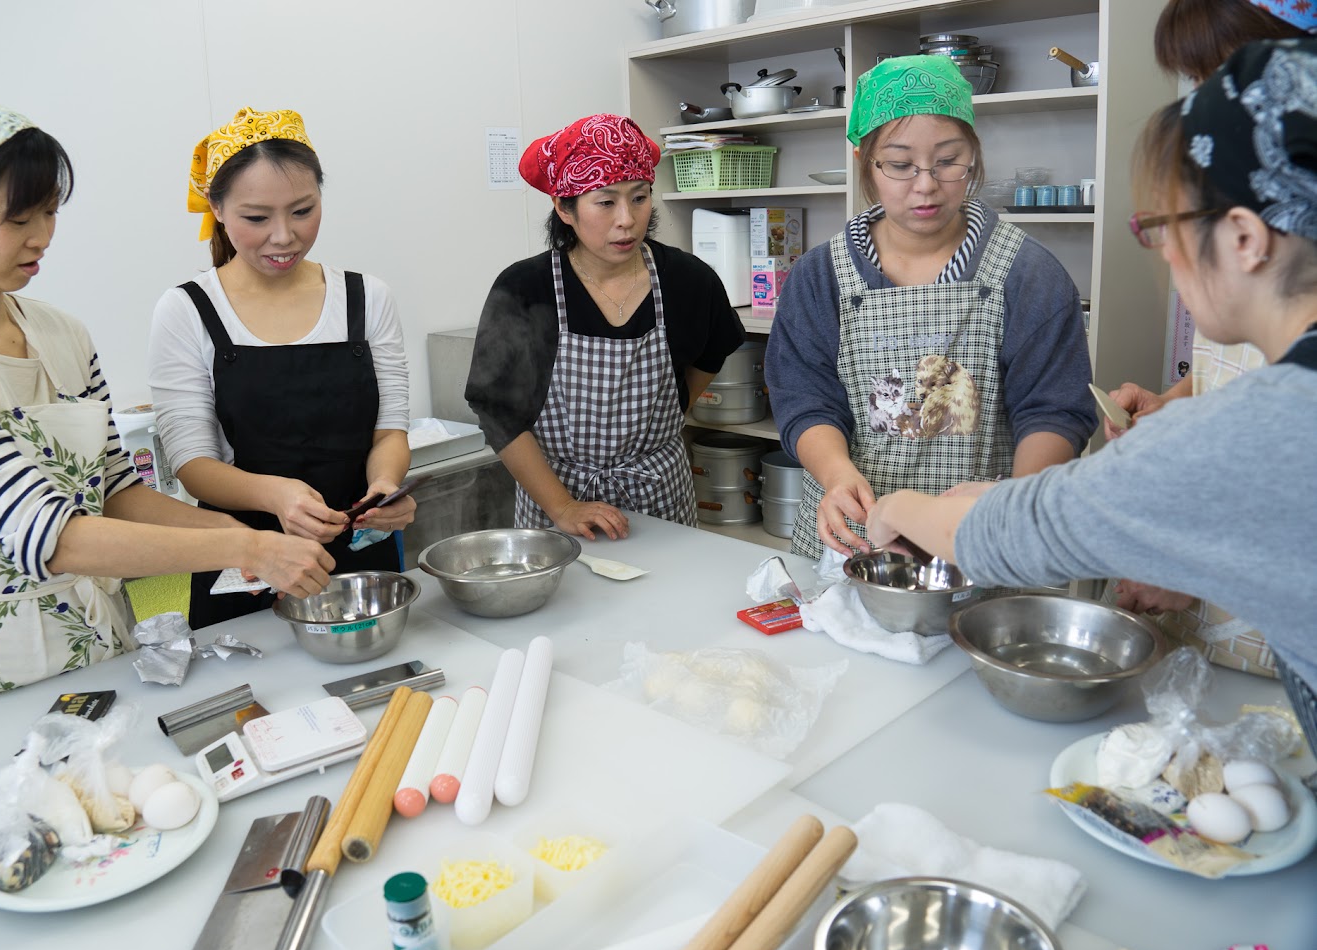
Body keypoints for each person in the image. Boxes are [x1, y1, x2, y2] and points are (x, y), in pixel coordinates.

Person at [864, 39, 1317, 755]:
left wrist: (897, 509)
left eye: (1164, 229)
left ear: (1243, 237)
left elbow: (1031, 530)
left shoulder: (1264, 421)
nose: (1164, 255)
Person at [0, 101, 333, 707]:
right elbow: (53, 539)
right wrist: (246, 546)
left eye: (49, 212)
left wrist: (226, 528)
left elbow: (118, 489)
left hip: (103, 634)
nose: (42, 236)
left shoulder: (62, 334)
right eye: (17, 220)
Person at [764, 56, 1096, 560]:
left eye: (948, 161)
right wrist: (836, 475)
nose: (925, 184)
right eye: (899, 165)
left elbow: (1054, 410)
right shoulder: (821, 273)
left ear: (975, 155)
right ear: (865, 164)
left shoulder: (1027, 273)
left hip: (981, 540)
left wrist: (1010, 509)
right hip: (851, 529)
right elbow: (804, 397)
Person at [1095, 0, 1309, 672]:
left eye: (1222, 71)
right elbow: (1233, 368)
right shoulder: (1218, 215)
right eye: (1194, 78)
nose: (1205, 103)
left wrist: (1200, 564)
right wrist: (1178, 402)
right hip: (1206, 596)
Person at [149, 107, 414, 628]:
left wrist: (385, 487)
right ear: (218, 209)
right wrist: (278, 495)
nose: (284, 236)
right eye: (256, 218)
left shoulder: (367, 298)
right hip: (243, 556)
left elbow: (390, 429)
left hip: (359, 554)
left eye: (302, 210)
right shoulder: (187, 310)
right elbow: (193, 464)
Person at [464, 114, 745, 539]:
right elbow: (498, 413)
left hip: (659, 492)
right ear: (564, 208)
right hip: (558, 502)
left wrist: (668, 415)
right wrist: (563, 506)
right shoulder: (526, 289)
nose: (627, 220)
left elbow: (711, 352)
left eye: (639, 197)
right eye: (605, 201)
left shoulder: (688, 280)